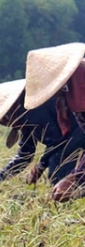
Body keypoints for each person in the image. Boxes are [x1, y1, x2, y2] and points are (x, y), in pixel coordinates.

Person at [0, 78, 85, 186]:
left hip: (80, 127)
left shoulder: (31, 109)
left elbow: (56, 141)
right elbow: (25, 156)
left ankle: (68, 196)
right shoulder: (24, 117)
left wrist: (40, 166)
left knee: (57, 165)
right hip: (76, 132)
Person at [23, 42, 85, 201]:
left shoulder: (80, 87)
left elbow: (57, 141)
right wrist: (75, 177)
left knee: (60, 167)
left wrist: (74, 177)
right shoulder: (68, 97)